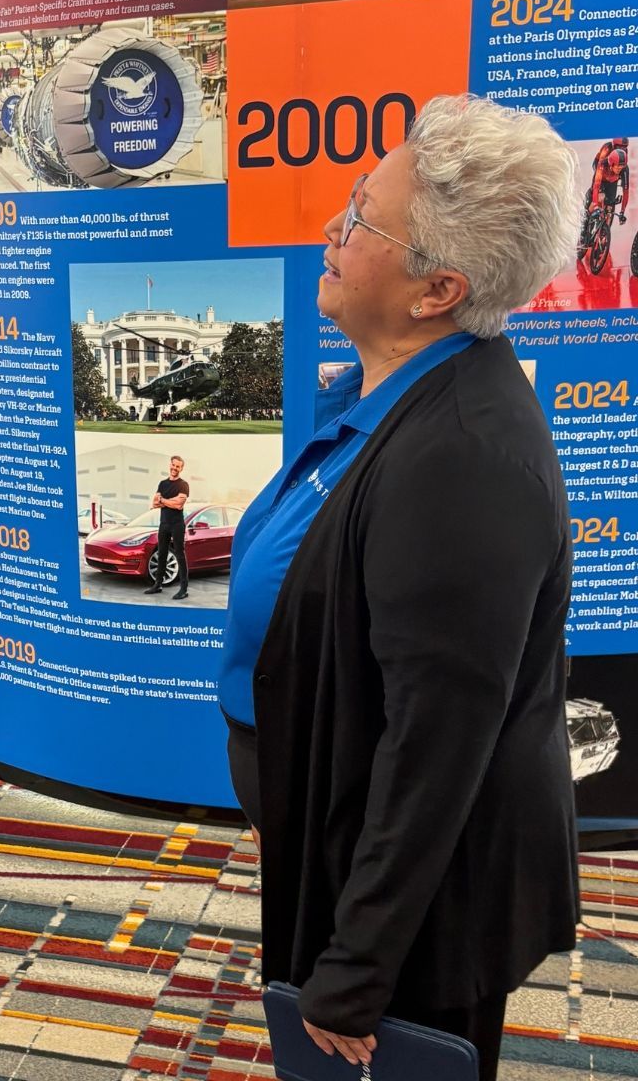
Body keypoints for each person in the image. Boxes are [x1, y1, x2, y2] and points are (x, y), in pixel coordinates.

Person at [217, 94, 581, 1081]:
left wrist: (358, 964)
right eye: (349, 200)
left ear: (437, 291)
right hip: (342, 835)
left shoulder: (465, 460)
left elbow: (437, 746)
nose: (331, 231)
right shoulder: (390, 393)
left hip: (421, 904)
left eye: (363, 220)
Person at [144, 454, 189, 599]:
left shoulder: (183, 484)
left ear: (181, 468)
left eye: (178, 466)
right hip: (164, 524)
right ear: (170, 465)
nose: (175, 468)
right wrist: (168, 501)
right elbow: (155, 503)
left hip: (177, 525)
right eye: (173, 465)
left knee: (180, 555)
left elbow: (178, 504)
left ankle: (183, 589)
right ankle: (158, 584)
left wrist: (163, 500)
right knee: (162, 554)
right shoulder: (162, 484)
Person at [580, 135, 628, 247]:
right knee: (597, 198)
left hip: (612, 178)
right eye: (620, 146)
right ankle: (584, 226)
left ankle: (603, 231)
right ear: (614, 145)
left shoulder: (623, 162)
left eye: (625, 147)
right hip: (601, 170)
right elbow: (597, 183)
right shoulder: (606, 149)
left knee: (610, 205)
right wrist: (595, 203)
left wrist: (622, 212)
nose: (623, 149)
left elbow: (626, 191)